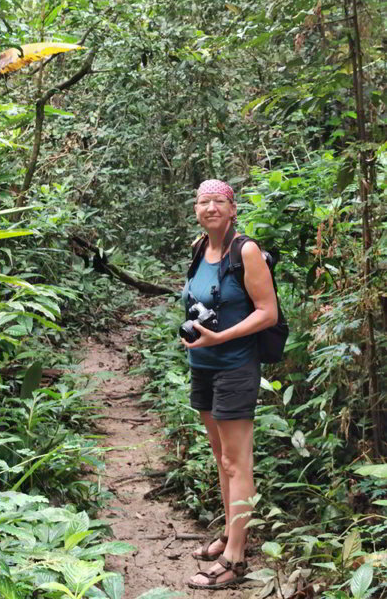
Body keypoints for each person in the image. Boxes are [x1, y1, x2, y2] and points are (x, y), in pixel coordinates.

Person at [181, 179, 278, 590]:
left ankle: (236, 557)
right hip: (201, 363)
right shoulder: (199, 249)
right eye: (204, 202)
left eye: (218, 201)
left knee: (237, 461)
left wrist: (221, 337)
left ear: (233, 208)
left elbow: (267, 312)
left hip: (235, 365)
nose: (210, 208)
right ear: (196, 209)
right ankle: (229, 535)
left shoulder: (247, 251)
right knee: (222, 458)